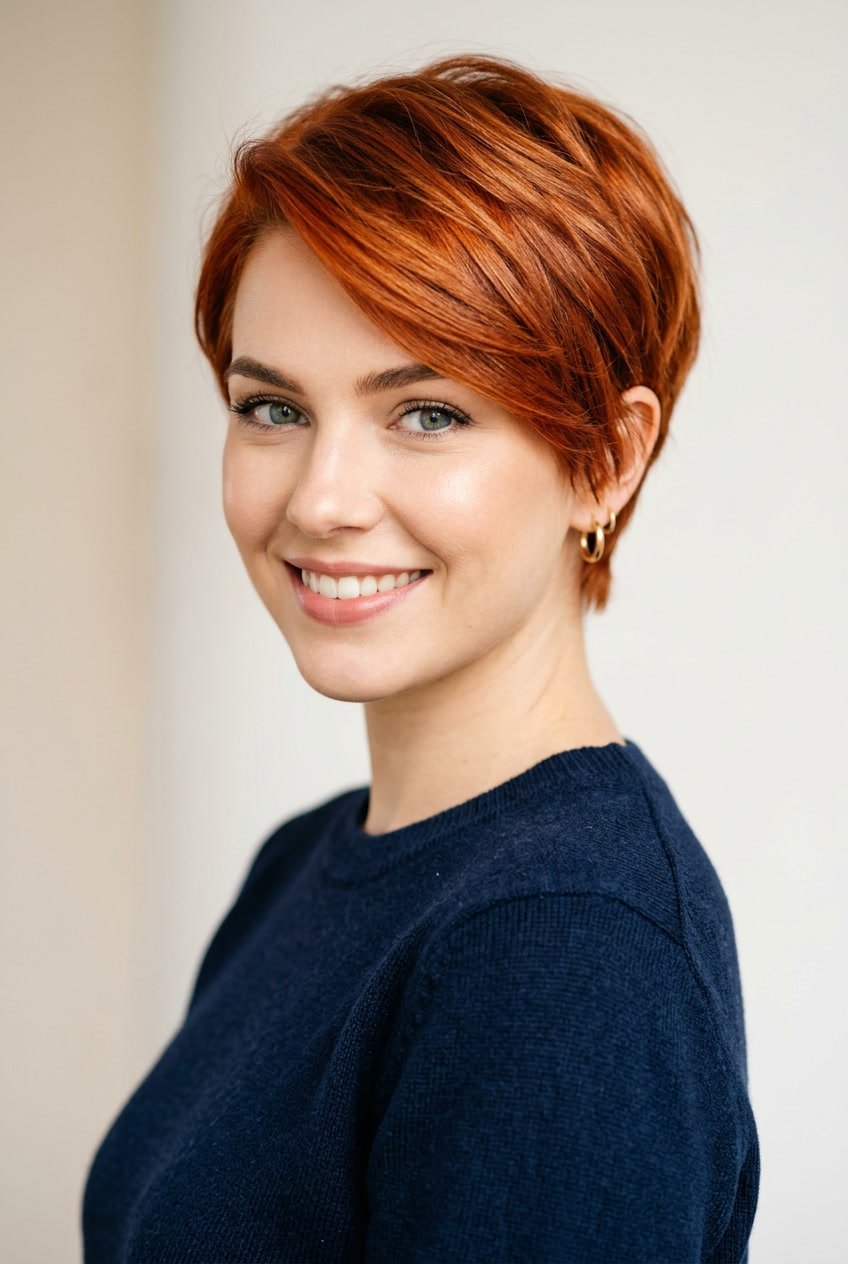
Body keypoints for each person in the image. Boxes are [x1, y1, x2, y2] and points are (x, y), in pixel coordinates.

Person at [81, 53, 760, 1262]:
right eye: (272, 407)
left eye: (427, 412)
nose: (324, 499)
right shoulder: (304, 866)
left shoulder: (561, 949)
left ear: (605, 459)